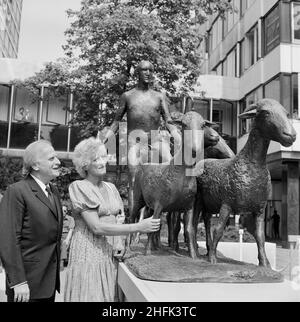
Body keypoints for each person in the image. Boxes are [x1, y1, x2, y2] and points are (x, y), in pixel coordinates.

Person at [63, 137, 160, 302]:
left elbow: (118, 219)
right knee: (91, 294)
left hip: (109, 253)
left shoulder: (111, 187)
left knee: (109, 295)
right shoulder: (79, 187)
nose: (102, 162)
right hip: (88, 252)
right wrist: (138, 227)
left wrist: (119, 242)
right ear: (85, 165)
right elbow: (97, 227)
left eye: (103, 157)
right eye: (96, 159)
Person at [102, 60, 181, 218]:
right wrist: (104, 141)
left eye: (151, 70)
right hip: (135, 142)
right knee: (133, 179)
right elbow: (116, 121)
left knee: (170, 170)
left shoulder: (159, 97)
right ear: (137, 73)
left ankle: (164, 216)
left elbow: (168, 120)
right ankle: (131, 221)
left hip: (156, 140)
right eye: (144, 70)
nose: (148, 73)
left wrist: (178, 136)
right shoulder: (127, 96)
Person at [0, 140, 63, 302]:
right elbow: (8, 239)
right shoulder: (17, 191)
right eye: (51, 159)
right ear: (35, 165)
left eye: (56, 158)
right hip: (26, 286)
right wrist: (18, 281)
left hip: (48, 284)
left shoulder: (53, 191)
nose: (58, 162)